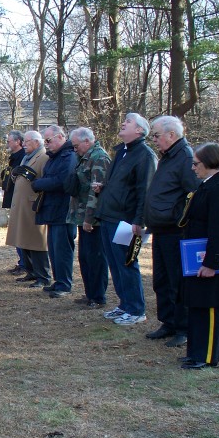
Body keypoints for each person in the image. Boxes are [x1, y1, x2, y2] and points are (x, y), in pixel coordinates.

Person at [178, 143, 219, 369]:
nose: (193, 168)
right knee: (197, 303)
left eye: (196, 164)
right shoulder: (207, 185)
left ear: (209, 162)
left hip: (210, 257)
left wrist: (212, 263)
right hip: (197, 254)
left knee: (209, 306)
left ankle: (206, 356)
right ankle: (195, 351)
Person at [93, 113, 157, 325]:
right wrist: (104, 189)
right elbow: (121, 185)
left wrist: (139, 221)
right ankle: (124, 305)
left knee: (127, 263)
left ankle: (137, 309)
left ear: (139, 130)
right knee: (114, 263)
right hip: (108, 215)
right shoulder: (121, 152)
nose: (122, 123)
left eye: (128, 122)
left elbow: (144, 191)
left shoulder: (145, 156)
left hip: (126, 220)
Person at [144, 116, 201, 347]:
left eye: (156, 135)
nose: (154, 140)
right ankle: (167, 322)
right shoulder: (168, 157)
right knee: (162, 280)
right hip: (160, 228)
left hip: (175, 230)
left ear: (171, 135)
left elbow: (192, 193)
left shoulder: (185, 157)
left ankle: (183, 327)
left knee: (177, 281)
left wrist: (177, 217)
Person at [66, 127, 111, 309]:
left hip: (94, 219)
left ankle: (98, 296)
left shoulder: (99, 157)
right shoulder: (83, 157)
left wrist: (89, 219)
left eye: (76, 145)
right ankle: (90, 293)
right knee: (85, 257)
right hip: (82, 214)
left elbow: (96, 191)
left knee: (96, 258)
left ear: (87, 141)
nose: (75, 149)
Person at [31, 125, 77, 297]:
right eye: (45, 141)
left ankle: (64, 284)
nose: (46, 144)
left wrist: (38, 184)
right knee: (54, 249)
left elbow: (62, 181)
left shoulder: (68, 156)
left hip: (63, 211)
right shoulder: (55, 157)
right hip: (53, 211)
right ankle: (59, 281)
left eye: (48, 140)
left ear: (60, 137)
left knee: (63, 250)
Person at [5, 131, 50, 288]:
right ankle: (30, 271)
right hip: (21, 206)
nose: (24, 144)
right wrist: (14, 174)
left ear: (37, 143)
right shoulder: (26, 157)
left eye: (27, 142)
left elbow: (46, 181)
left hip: (33, 206)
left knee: (36, 242)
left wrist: (32, 178)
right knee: (23, 241)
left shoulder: (43, 157)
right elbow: (20, 178)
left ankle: (43, 275)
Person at [1, 130, 26, 274]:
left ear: (18, 141)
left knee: (20, 232)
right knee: (16, 232)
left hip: (19, 199)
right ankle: (22, 262)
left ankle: (24, 263)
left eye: (9, 141)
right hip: (13, 197)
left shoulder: (22, 157)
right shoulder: (14, 157)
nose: (7, 143)